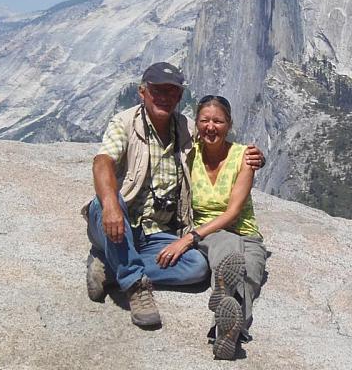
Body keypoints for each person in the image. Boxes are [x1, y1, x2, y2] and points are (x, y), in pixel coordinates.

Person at [83, 62, 265, 329]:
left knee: (196, 267)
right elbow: (102, 161)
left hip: (157, 232)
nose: (164, 98)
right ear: (142, 92)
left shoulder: (185, 128)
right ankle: (135, 286)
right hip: (117, 222)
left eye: (171, 92)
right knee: (107, 200)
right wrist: (110, 205)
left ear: (179, 97)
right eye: (157, 90)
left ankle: (112, 266)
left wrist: (256, 156)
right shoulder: (123, 123)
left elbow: (215, 137)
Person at [155, 95, 267, 360]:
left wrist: (188, 239)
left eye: (218, 121)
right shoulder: (188, 153)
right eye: (204, 120)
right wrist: (189, 236)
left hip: (246, 233)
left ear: (229, 125)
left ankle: (226, 330)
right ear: (196, 125)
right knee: (226, 248)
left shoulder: (244, 157)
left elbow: (233, 213)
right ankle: (229, 321)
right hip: (208, 233)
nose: (210, 126)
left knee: (250, 274)